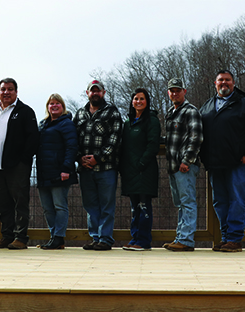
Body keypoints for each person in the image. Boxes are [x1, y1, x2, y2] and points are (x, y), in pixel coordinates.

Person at [199, 70, 245, 252]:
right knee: (219, 201)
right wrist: (204, 158)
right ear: (215, 83)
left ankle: (235, 239)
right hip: (215, 164)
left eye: (228, 80)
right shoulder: (207, 106)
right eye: (221, 80)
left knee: (237, 200)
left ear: (234, 83)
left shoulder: (244, 104)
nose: (224, 83)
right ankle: (225, 237)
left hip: (238, 163)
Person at [0, 78, 39, 250]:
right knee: (3, 203)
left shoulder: (25, 111)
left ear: (16, 92)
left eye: (10, 89)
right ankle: (7, 236)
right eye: (3, 89)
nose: (6, 92)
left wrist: (23, 160)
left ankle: (21, 237)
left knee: (20, 202)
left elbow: (33, 139)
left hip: (17, 166)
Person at [73, 80, 123, 251]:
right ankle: (95, 237)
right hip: (85, 169)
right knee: (90, 205)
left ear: (104, 92)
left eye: (98, 91)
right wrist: (80, 158)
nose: (95, 93)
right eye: (92, 91)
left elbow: (115, 139)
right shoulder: (79, 113)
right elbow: (73, 139)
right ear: (87, 93)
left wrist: (98, 158)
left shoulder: (112, 112)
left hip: (106, 168)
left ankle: (105, 238)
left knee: (107, 204)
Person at [162, 78, 203, 252]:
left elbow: (196, 137)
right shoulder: (171, 112)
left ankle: (186, 240)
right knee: (180, 203)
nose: (174, 93)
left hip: (184, 165)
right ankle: (180, 237)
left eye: (178, 90)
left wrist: (187, 160)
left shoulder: (190, 111)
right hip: (173, 166)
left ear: (184, 91)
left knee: (187, 202)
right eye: (171, 90)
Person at [119, 88, 161, 251]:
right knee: (134, 207)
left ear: (147, 101)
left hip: (145, 171)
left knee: (144, 206)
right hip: (130, 172)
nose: (138, 101)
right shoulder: (128, 123)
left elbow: (153, 145)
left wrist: (141, 163)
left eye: (142, 99)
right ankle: (135, 238)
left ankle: (143, 241)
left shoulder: (151, 120)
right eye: (136, 98)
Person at [36, 94, 78, 250]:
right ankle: (54, 236)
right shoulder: (43, 124)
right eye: (51, 103)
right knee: (47, 207)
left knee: (60, 206)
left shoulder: (66, 124)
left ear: (62, 106)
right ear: (47, 106)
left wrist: (66, 168)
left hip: (60, 172)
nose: (54, 106)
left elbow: (72, 147)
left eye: (57, 103)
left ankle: (59, 237)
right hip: (43, 172)